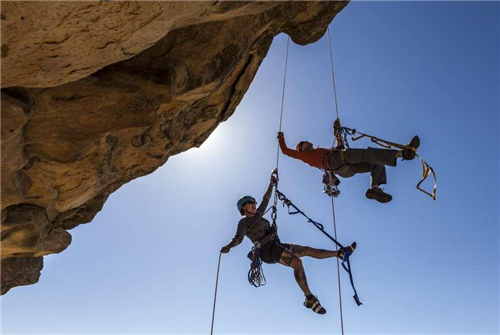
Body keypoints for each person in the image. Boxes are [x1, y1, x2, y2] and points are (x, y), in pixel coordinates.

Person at [221, 172, 357, 315]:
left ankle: (339, 253)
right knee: (297, 263)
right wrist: (228, 247)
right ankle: (309, 298)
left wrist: (271, 184)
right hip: (267, 250)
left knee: (305, 250)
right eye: (251, 203)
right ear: (243, 207)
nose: (254, 204)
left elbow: (266, 199)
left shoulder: (259, 214)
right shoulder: (243, 223)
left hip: (276, 244)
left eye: (254, 202)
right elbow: (238, 238)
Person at [277, 131, 420, 203]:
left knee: (377, 163)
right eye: (303, 142)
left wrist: (336, 132)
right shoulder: (304, 155)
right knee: (368, 154)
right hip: (336, 161)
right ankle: (403, 154)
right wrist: (281, 137)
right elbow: (285, 151)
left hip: (344, 169)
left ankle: (375, 189)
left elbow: (340, 146)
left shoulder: (319, 151)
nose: (306, 141)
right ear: (301, 149)